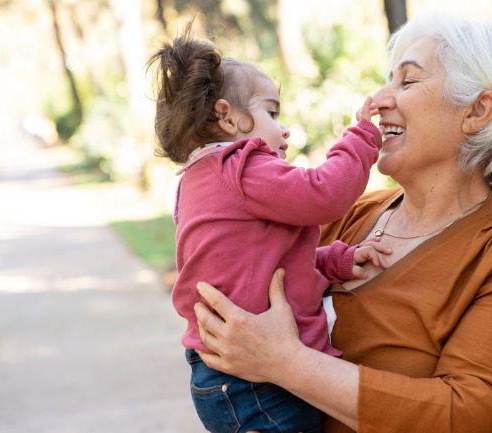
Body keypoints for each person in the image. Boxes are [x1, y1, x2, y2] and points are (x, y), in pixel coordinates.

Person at [192, 12, 492, 433]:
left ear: (478, 111)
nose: (378, 98)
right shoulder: (348, 217)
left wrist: (287, 363)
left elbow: (471, 416)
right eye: (387, 79)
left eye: (407, 82)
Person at [148, 27, 392, 433]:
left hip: (227, 375)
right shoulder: (242, 165)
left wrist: (334, 260)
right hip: (255, 384)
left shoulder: (199, 179)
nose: (284, 129)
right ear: (227, 116)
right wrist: (361, 137)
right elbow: (325, 193)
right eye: (272, 113)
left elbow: (258, 264)